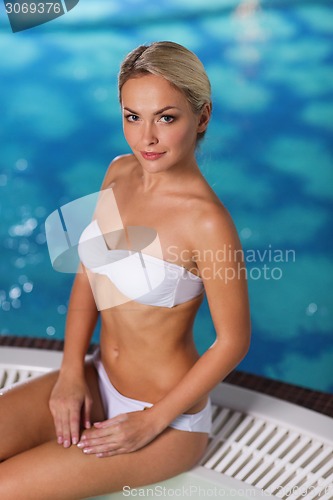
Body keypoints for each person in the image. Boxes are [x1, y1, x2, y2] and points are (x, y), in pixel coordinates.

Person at [0, 41, 250, 499]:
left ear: (203, 117)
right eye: (133, 116)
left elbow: (233, 341)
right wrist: (71, 373)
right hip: (96, 378)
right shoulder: (117, 173)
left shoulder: (207, 223)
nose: (146, 138)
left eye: (166, 117)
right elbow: (89, 276)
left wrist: (150, 422)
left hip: (166, 418)